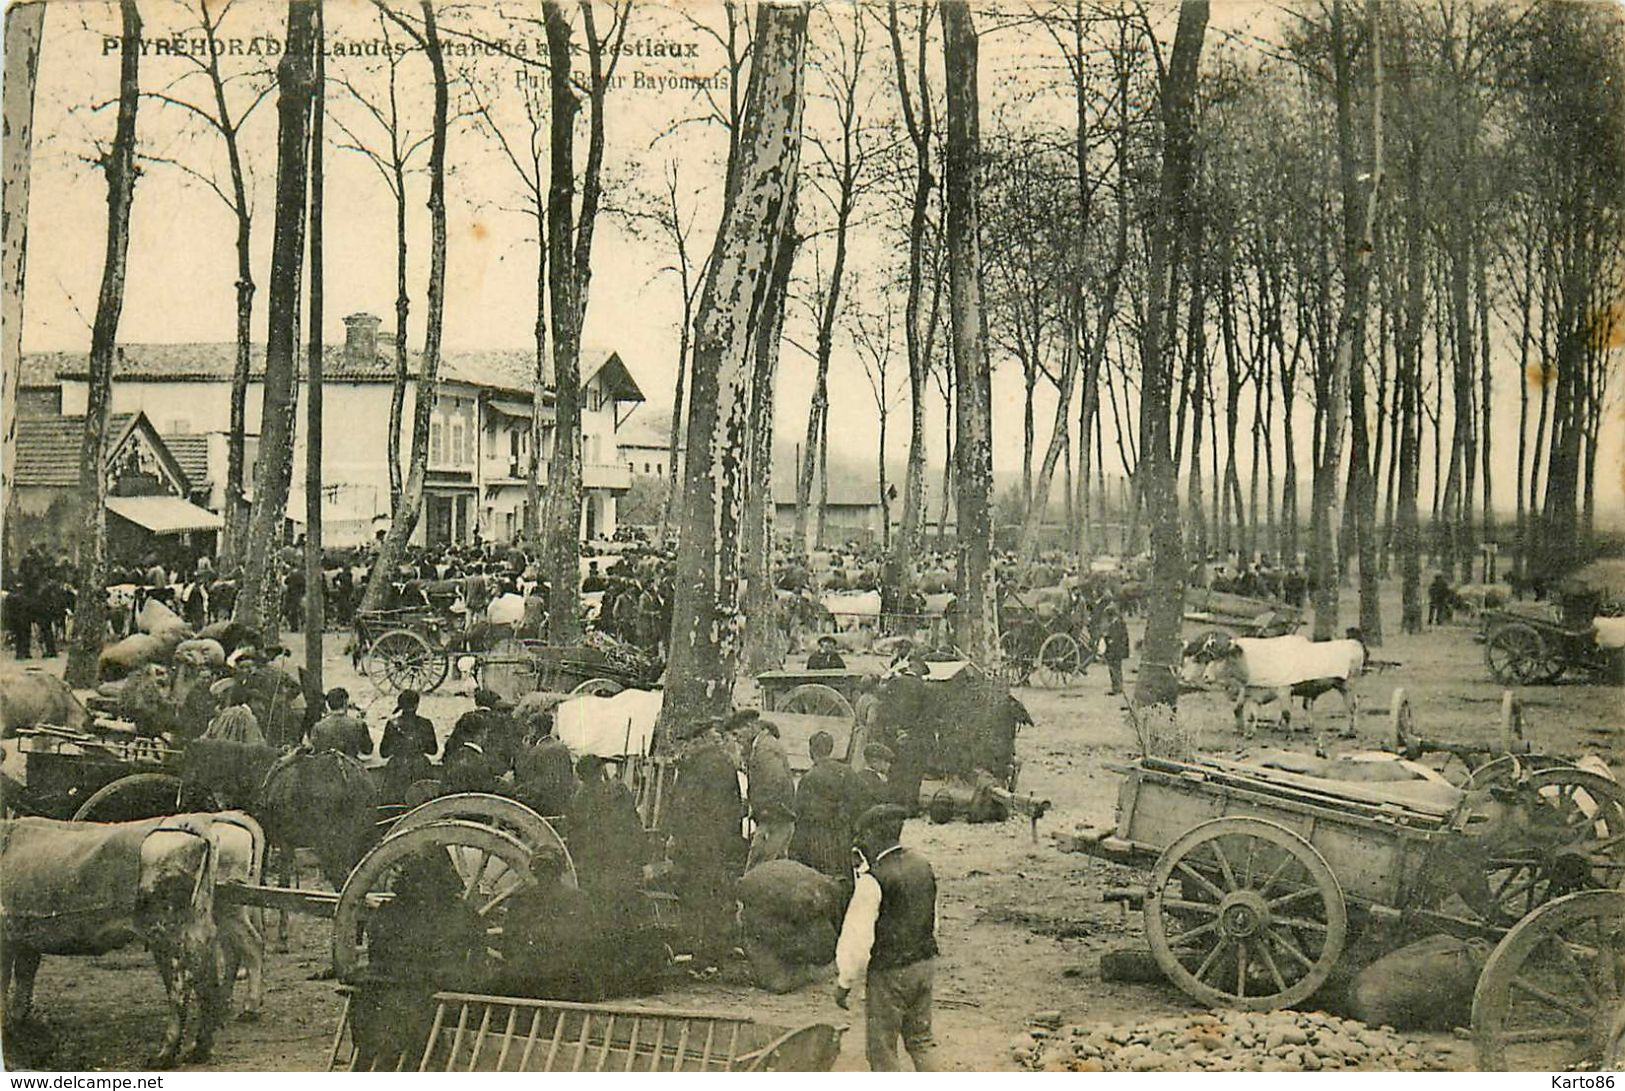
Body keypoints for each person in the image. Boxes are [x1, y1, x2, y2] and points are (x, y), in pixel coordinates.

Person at [834, 804, 940, 1072]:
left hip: (890, 973)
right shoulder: (922, 865)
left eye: (863, 836)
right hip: (923, 965)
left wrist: (845, 982)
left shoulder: (873, 880)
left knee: (881, 1051)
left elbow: (858, 940)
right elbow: (933, 921)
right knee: (921, 1042)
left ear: (872, 835)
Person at [665, 717, 747, 969]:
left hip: (697, 845)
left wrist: (674, 835)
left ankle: (701, 955)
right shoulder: (724, 763)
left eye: (687, 742)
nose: (685, 748)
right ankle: (718, 950)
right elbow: (734, 806)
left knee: (696, 897)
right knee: (719, 895)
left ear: (698, 740)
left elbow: (683, 806)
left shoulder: (695, 766)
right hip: (721, 843)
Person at [790, 730, 859, 890]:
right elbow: (857, 804)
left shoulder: (809, 778)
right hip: (842, 836)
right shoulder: (847, 772)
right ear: (831, 749)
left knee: (820, 882)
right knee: (843, 880)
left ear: (811, 751)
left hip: (817, 839)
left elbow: (800, 816)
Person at [740, 713, 796, 871]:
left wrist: (762, 810)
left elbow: (776, 780)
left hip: (773, 822)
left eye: (738, 734)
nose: (738, 739)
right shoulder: (765, 744)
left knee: (757, 872)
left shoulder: (764, 749)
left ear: (750, 727)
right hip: (778, 819)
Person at [380, 690, 438, 800]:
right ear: (417, 705)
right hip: (420, 766)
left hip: (397, 767)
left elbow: (384, 753)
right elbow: (433, 750)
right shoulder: (426, 723)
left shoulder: (392, 724)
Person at [309, 687, 373, 759]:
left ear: (328, 705)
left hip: (327, 767)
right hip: (349, 766)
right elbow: (367, 750)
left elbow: (315, 751)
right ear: (345, 703)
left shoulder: (318, 727)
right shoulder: (358, 724)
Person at [854, 743, 894, 817]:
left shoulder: (858, 775)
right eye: (886, 761)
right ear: (874, 762)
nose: (889, 765)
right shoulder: (877, 781)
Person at [1100, 603, 1130, 696]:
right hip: (1115, 650)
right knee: (1114, 668)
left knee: (1115, 668)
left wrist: (1108, 639)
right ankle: (1116, 686)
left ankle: (1118, 687)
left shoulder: (1118, 623)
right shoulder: (1117, 623)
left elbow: (1117, 638)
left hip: (1116, 650)